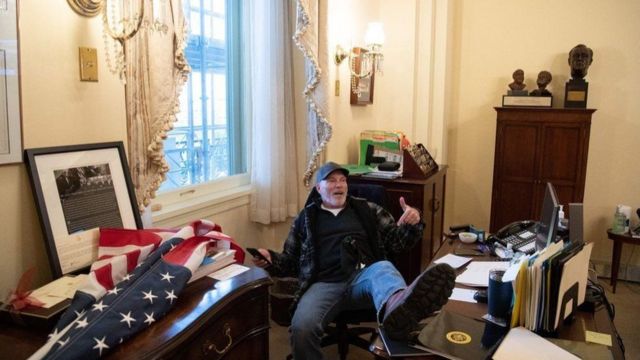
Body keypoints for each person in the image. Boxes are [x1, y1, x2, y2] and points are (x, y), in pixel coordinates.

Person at [251, 162, 455, 360]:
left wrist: (413, 223)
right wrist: (270, 259)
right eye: (331, 181)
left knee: (383, 267)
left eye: (342, 180)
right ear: (318, 188)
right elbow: (289, 261)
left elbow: (397, 242)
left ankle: (398, 309)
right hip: (323, 284)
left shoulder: (367, 209)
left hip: (364, 279)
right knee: (301, 329)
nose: (339, 184)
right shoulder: (306, 218)